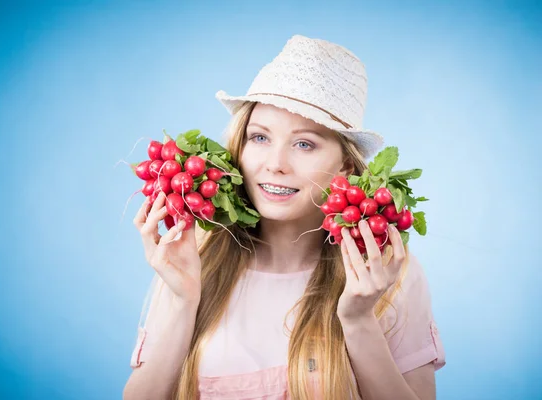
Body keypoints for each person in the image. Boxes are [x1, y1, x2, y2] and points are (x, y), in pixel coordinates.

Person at [123, 34, 446, 400]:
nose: (274, 165)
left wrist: (358, 320)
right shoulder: (192, 257)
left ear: (345, 166)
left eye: (304, 144)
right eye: (259, 138)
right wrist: (184, 301)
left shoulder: (387, 273)